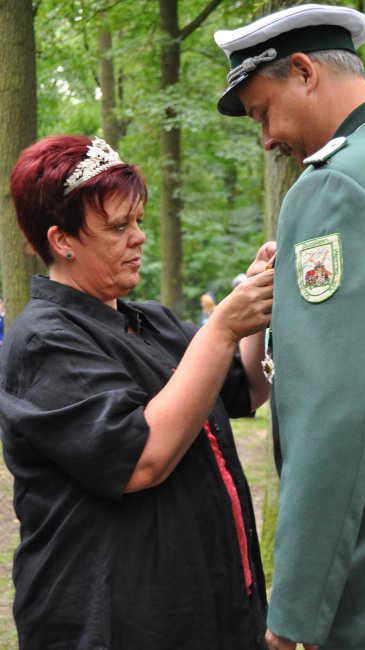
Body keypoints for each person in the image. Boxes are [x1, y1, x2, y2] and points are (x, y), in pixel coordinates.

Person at [0, 134, 275, 649]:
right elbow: (142, 459)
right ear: (62, 240)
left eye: (139, 221)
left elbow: (248, 388)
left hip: (208, 610)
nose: (139, 237)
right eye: (118, 226)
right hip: (114, 626)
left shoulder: (153, 322)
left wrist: (258, 302)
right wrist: (220, 329)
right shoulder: (42, 341)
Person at [214, 4, 365, 650]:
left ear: (305, 72)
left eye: (263, 113)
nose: (266, 139)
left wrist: (295, 612)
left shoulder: (336, 189)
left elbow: (332, 419)